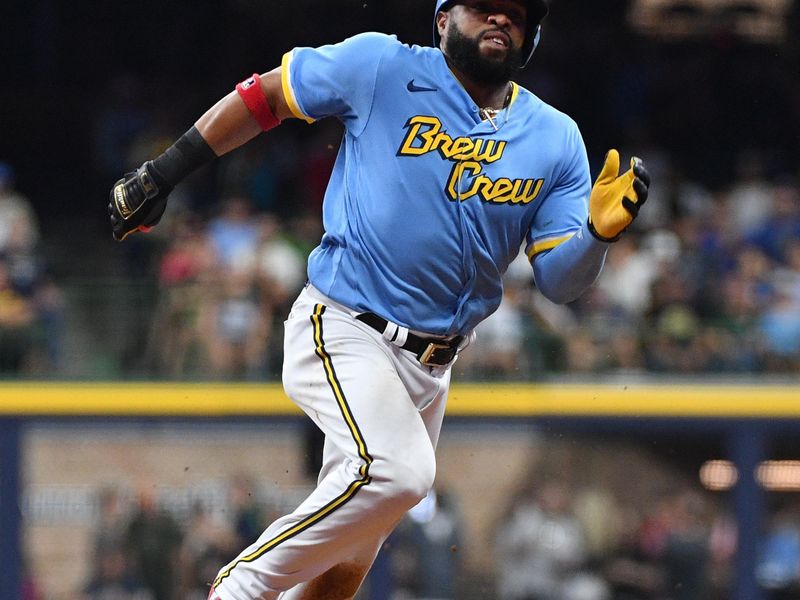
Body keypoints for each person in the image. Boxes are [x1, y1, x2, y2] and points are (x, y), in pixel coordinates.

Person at [108, 1, 650, 598]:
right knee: (400, 474)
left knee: (347, 558)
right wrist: (163, 173)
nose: (500, 20)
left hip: (435, 366)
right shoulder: (381, 66)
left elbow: (560, 282)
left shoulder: (555, 137)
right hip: (346, 326)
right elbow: (265, 97)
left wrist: (597, 237)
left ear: (533, 34)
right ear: (443, 19)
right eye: (483, 7)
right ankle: (240, 589)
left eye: (515, 13)